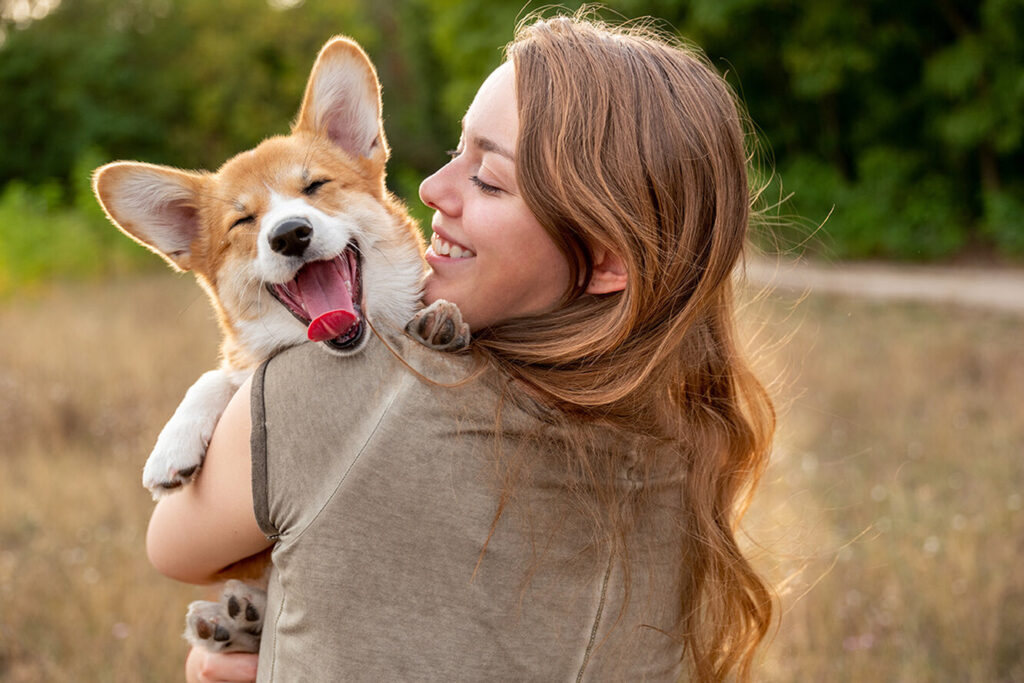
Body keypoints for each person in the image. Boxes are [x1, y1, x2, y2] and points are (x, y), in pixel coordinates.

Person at [147, 12, 775, 683]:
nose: (429, 189)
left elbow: (172, 547)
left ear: (602, 256)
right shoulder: (690, 446)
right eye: (457, 150)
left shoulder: (327, 392)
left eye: (490, 178)